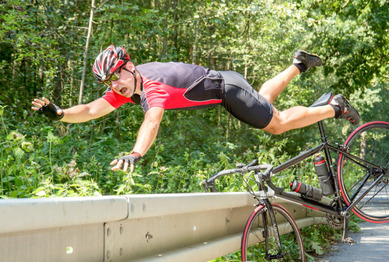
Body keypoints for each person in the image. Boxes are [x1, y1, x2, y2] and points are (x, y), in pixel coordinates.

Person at [32, 45, 359, 173]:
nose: (115, 84)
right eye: (109, 81)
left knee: (277, 123)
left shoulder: (150, 84)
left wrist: (136, 152)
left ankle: (333, 107)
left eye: (117, 74)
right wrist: (60, 114)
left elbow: (153, 119)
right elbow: (91, 110)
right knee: (264, 101)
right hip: (227, 88)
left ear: (129, 65)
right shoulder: (127, 86)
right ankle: (298, 65)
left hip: (227, 90)